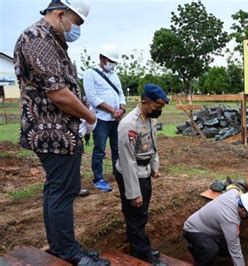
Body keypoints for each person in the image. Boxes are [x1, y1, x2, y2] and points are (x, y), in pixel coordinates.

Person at [13, 0, 109, 264]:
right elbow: (59, 94)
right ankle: (68, 253)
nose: (75, 29)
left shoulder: (49, 40)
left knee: (56, 190)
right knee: (64, 192)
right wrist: (90, 116)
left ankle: (60, 246)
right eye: (76, 23)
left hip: (56, 131)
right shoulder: (38, 39)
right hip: (52, 132)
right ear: (60, 14)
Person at [115, 83, 168, 265]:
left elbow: (153, 145)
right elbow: (126, 160)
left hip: (143, 171)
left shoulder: (150, 119)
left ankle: (137, 247)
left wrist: (154, 166)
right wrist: (133, 192)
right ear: (145, 102)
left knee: (139, 213)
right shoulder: (129, 125)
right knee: (137, 214)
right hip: (131, 173)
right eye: (156, 106)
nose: (159, 111)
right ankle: (142, 255)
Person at [183, 189, 248, 266]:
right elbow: (235, 251)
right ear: (243, 211)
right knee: (211, 251)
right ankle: (199, 256)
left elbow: (234, 188)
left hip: (209, 229)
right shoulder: (229, 220)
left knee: (226, 250)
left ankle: (196, 248)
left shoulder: (234, 193)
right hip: (193, 230)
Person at [83, 48, 126, 192]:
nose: (113, 64)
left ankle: (118, 172)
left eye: (115, 62)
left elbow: (121, 93)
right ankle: (98, 179)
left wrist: (122, 108)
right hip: (101, 119)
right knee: (100, 149)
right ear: (102, 58)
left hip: (115, 119)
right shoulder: (90, 74)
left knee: (117, 148)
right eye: (111, 61)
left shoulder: (115, 75)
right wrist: (113, 111)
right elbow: (92, 98)